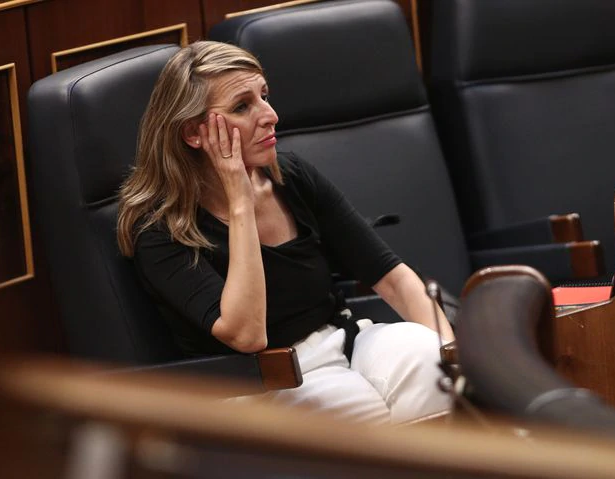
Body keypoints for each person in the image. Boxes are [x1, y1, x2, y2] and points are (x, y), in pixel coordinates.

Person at [117, 41, 454, 424]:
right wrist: (240, 202)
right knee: (367, 417)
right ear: (194, 134)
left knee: (427, 358)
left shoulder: (290, 176)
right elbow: (247, 335)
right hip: (261, 381)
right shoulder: (160, 229)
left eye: (264, 96)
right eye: (242, 106)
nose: (270, 115)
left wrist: (451, 350)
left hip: (342, 340)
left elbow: (392, 278)